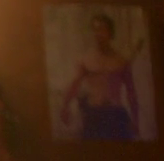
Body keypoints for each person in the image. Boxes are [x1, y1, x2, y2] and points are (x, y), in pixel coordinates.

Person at [59, 13, 143, 141]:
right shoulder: (86, 59)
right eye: (95, 29)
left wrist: (136, 120)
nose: (98, 33)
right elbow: (74, 85)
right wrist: (65, 107)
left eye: (102, 29)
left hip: (116, 114)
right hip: (94, 115)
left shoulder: (121, 61)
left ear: (110, 32)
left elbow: (131, 92)